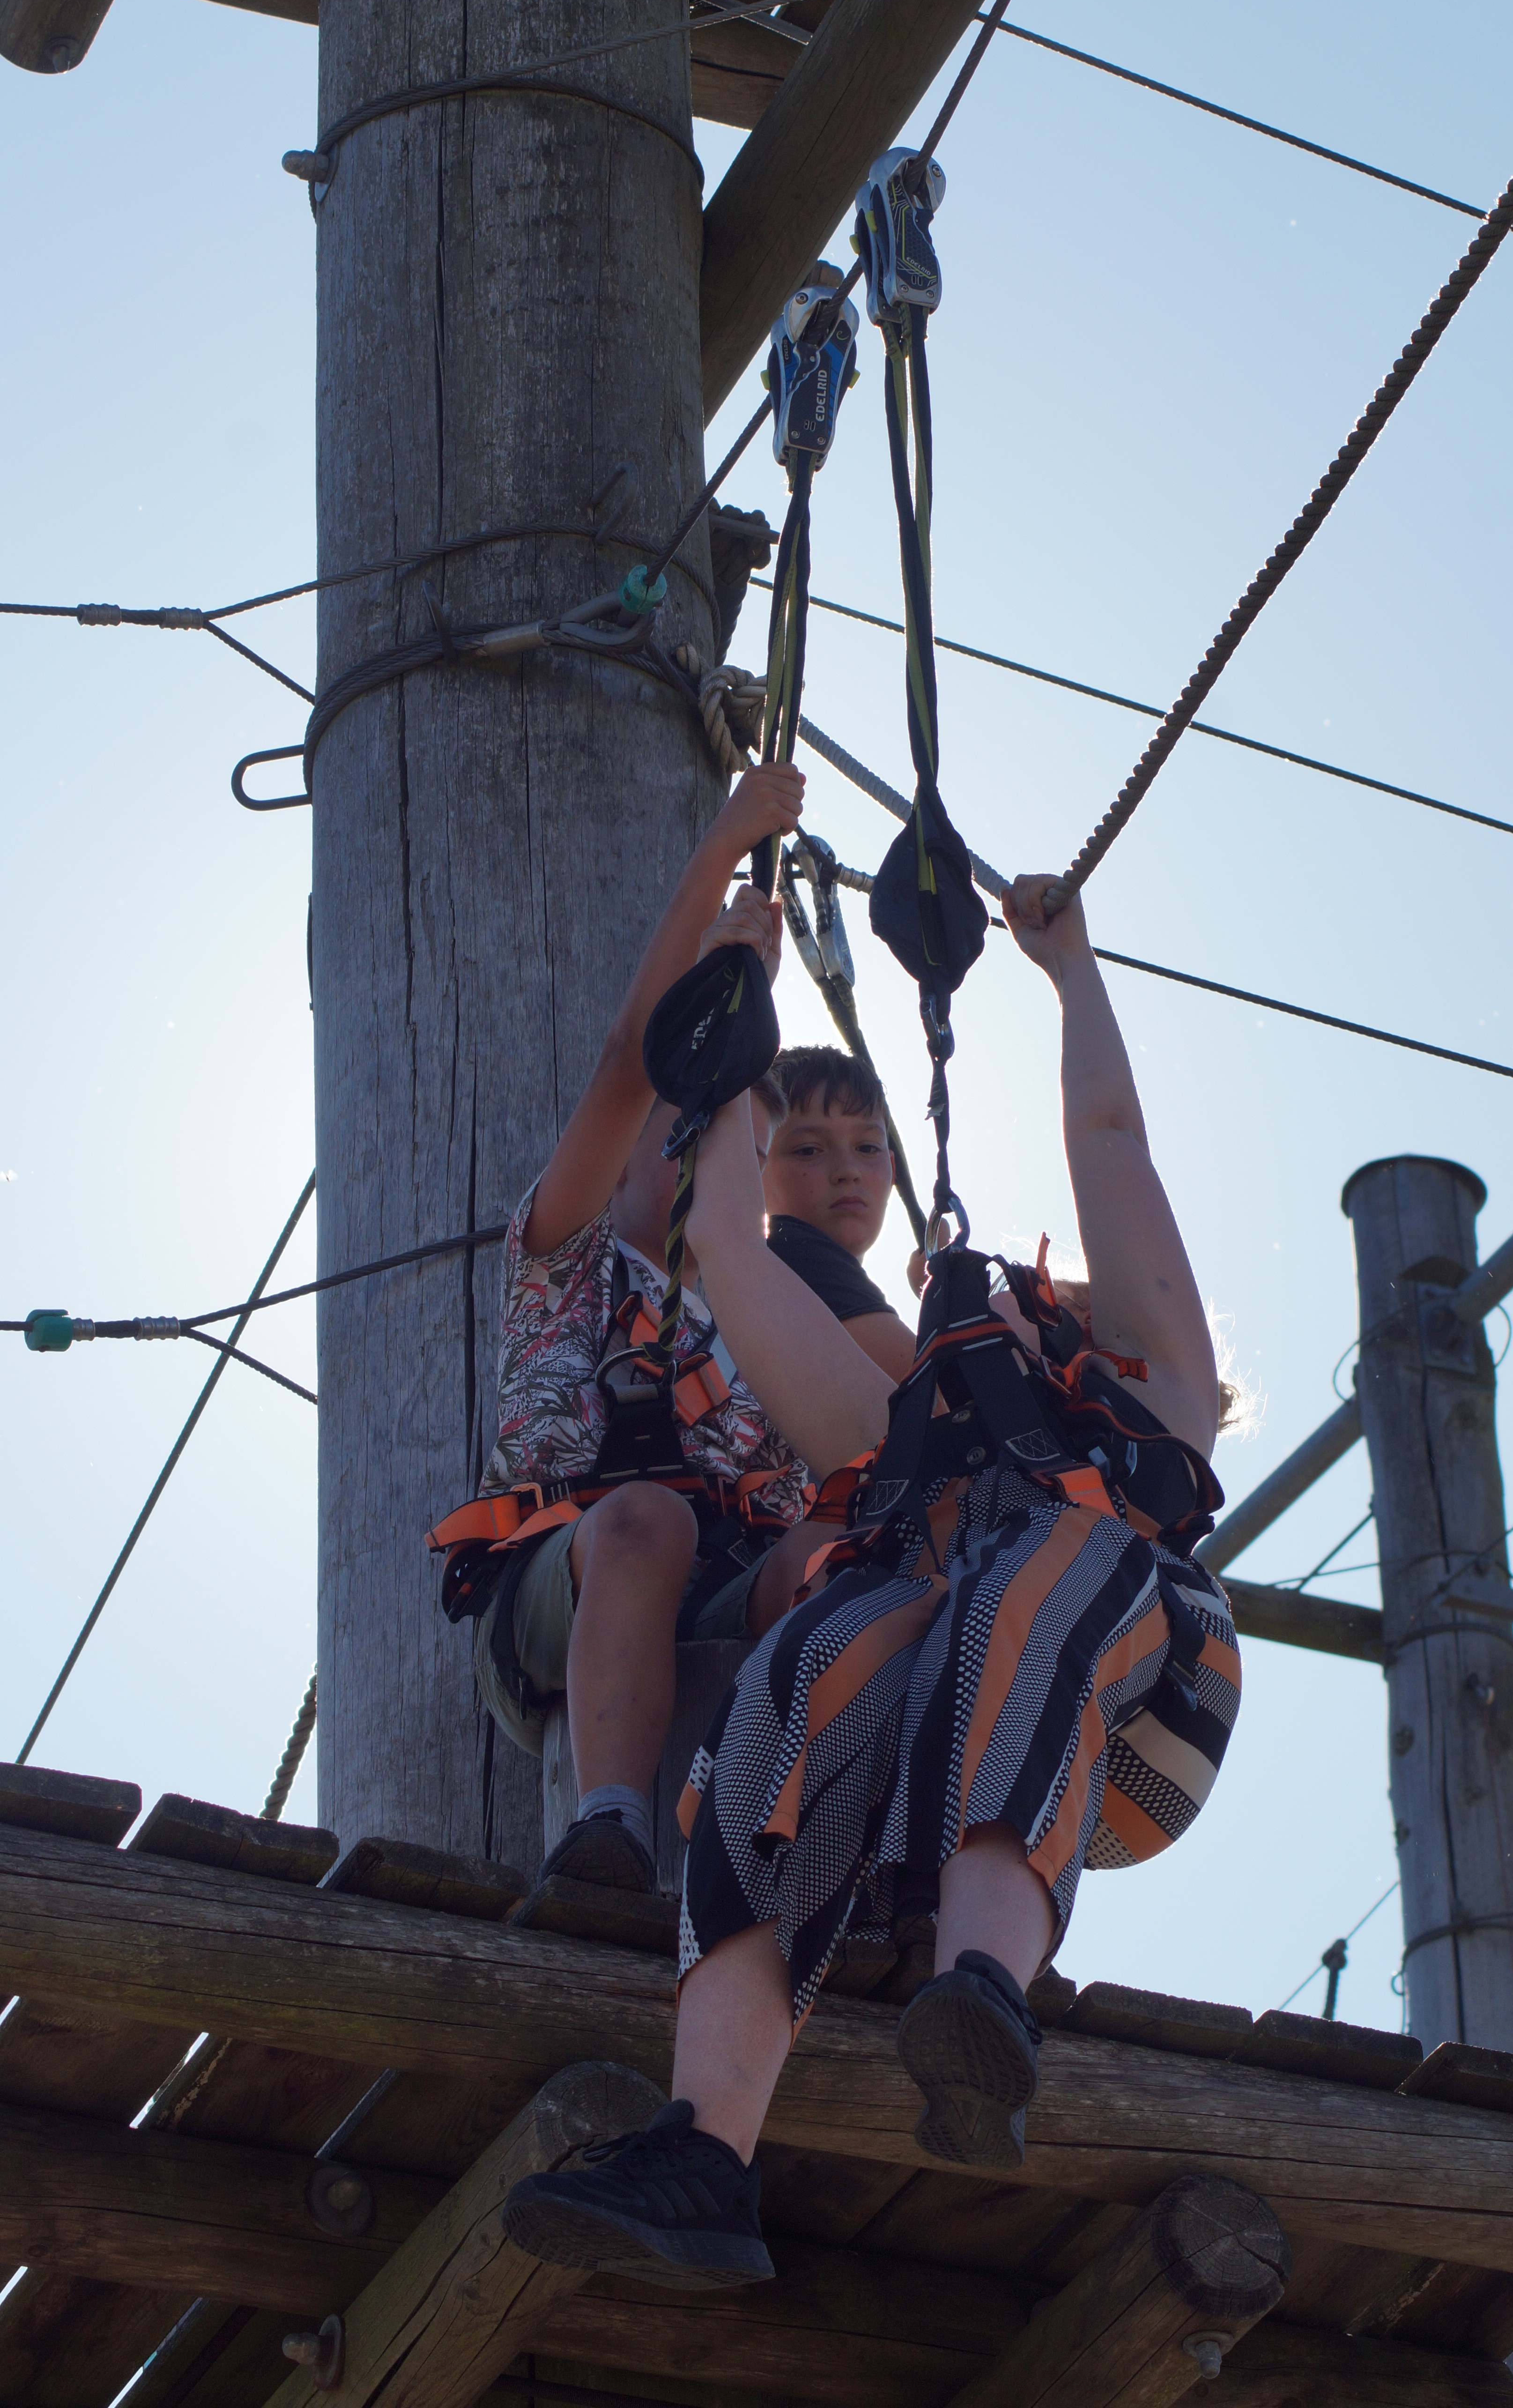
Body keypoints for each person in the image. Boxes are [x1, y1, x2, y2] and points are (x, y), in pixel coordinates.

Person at [504, 873, 1240, 2288]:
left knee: (1033, 1572)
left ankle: (981, 1990)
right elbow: (727, 1246)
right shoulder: (896, 1444)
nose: (997, 1317)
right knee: (814, 1650)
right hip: (948, 1706)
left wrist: (1071, 974)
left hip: (1142, 1699)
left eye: (1029, 1307)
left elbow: (1108, 1141)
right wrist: (738, 1026)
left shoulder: (1150, 1401)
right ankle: (704, 2147)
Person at [448, 767, 826, 1898]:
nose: (700, 1154)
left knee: (838, 1558)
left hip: (720, 1583)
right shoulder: (569, 1260)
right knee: (647, 1518)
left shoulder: (766, 1327)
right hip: (567, 1582)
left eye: (731, 1147)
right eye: (682, 1127)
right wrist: (722, 869)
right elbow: (629, 1058)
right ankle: (607, 1824)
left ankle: (826, 1863)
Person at [762, 1046, 916, 1387]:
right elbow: (935, 1393)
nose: (848, 1171)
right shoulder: (792, 1256)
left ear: (892, 1171)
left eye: (867, 1148)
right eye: (808, 1151)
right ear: (755, 1166)